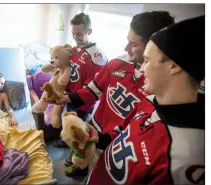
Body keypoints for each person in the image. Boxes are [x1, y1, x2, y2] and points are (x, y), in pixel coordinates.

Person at [52, 11, 175, 176]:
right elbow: (93, 89)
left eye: (134, 44)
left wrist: (104, 141)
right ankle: (81, 166)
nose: (126, 49)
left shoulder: (163, 88)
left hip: (121, 144)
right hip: (95, 127)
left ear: (155, 47)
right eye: (127, 41)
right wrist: (65, 98)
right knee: (84, 156)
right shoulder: (118, 62)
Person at [86, 15, 205, 184]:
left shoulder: (187, 156)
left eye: (147, 60)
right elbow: (122, 133)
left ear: (174, 65)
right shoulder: (150, 101)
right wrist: (99, 139)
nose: (141, 68)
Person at [53, 12, 108, 176]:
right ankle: (66, 140)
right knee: (68, 122)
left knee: (79, 132)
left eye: (79, 34)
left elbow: (97, 86)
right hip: (69, 96)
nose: (76, 37)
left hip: (83, 102)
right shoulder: (75, 49)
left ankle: (78, 159)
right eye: (73, 34)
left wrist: (77, 97)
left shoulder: (98, 57)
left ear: (89, 31)